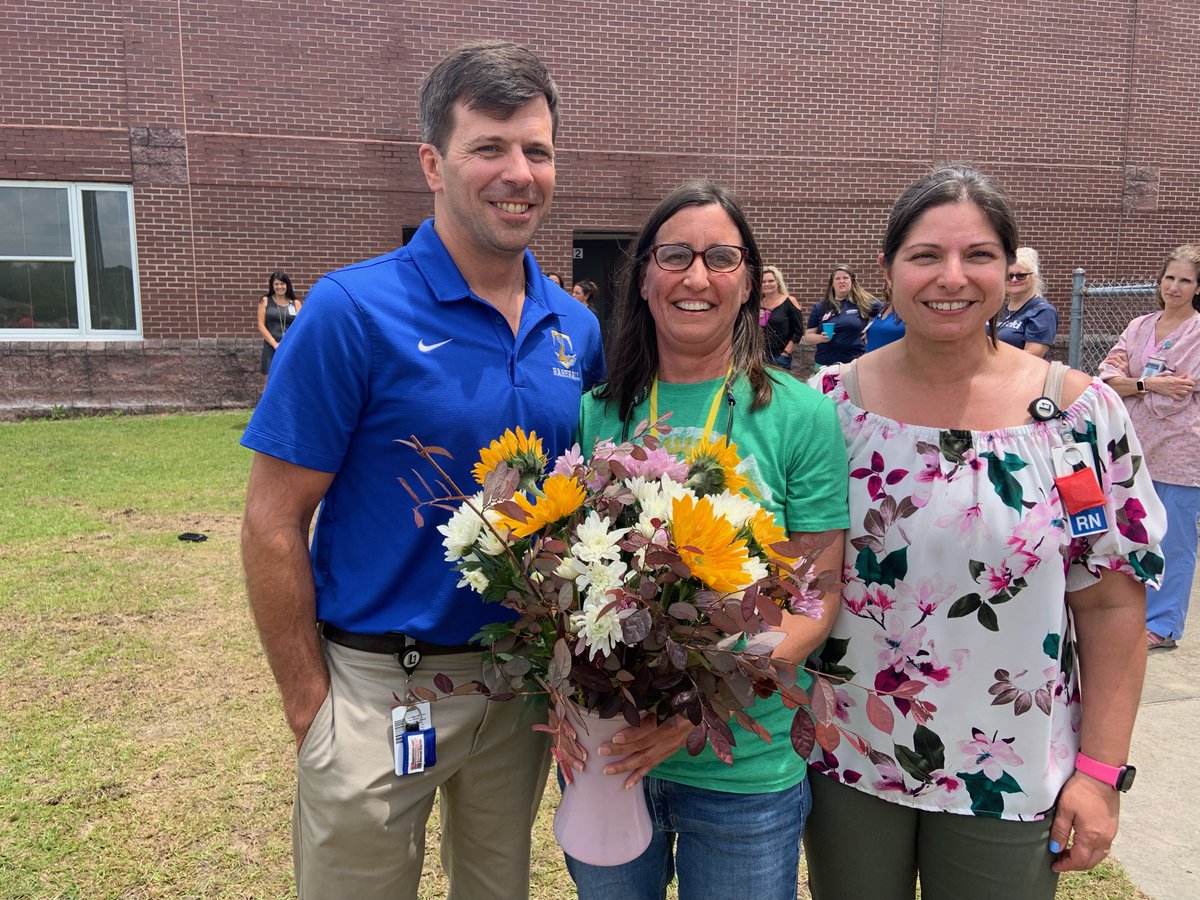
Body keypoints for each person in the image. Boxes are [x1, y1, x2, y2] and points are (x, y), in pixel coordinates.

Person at [239, 41, 604, 899]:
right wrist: (310, 708)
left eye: (538, 150)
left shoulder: (573, 330)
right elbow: (271, 520)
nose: (519, 173)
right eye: (490, 148)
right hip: (377, 686)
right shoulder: (351, 310)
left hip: (514, 689)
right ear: (433, 164)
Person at [804, 164, 1165, 900]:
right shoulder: (826, 409)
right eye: (926, 255)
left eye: (978, 256)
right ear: (888, 268)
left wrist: (1100, 775)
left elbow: (1114, 605)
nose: (952, 277)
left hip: (1010, 769)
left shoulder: (1077, 417)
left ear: (1010, 271)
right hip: (848, 755)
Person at [565, 180, 849, 900]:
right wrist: (560, 698)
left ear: (750, 281)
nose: (696, 276)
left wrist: (696, 710)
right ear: (644, 277)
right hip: (613, 760)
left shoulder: (799, 415)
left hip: (743, 773)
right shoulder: (600, 412)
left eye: (721, 257)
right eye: (675, 255)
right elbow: (576, 582)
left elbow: (820, 592)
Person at [1099, 245, 1200, 652]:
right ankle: (1130, 613)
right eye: (1169, 277)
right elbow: (1106, 377)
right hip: (1133, 447)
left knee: (1174, 541)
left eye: (1185, 280)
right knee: (1131, 531)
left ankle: (1163, 624)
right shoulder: (1140, 325)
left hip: (1180, 452)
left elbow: (1180, 393)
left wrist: (1137, 386)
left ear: (1198, 287)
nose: (1174, 287)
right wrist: (1149, 384)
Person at [803, 263, 877, 369]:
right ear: (832, 283)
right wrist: (821, 338)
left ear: (852, 281)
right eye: (837, 278)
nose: (842, 281)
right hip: (825, 366)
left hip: (854, 365)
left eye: (845, 278)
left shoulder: (863, 303)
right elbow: (808, 336)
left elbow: (886, 312)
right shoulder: (820, 307)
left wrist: (872, 327)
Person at [994, 247, 1058, 356]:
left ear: (1034, 276)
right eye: (1009, 276)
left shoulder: (1042, 311)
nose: (1014, 280)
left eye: (1021, 276)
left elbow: (1032, 356)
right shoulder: (997, 308)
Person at [257, 271, 301, 380]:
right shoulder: (265, 301)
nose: (279, 287)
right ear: (272, 285)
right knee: (269, 384)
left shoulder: (296, 303)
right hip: (271, 347)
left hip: (289, 347)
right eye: (276, 284)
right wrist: (275, 344)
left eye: (282, 284)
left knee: (289, 382)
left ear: (287, 285)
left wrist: (288, 343)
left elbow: (299, 327)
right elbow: (261, 325)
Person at [760, 264, 805, 369]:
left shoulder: (789, 301)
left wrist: (786, 352)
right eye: (763, 281)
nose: (767, 284)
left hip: (780, 357)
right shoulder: (757, 305)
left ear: (778, 282)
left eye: (771, 281)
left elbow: (798, 331)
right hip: (760, 357)